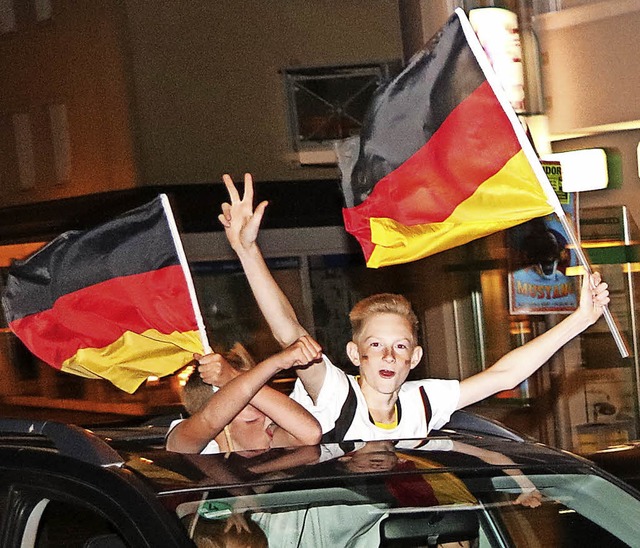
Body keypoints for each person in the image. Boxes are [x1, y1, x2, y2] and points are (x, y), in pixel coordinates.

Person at [217, 173, 611, 443]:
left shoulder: (423, 401)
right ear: (355, 354)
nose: (388, 355)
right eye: (375, 346)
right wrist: (248, 251)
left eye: (400, 346)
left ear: (415, 357)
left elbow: (504, 375)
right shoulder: (336, 393)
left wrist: (580, 320)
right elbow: (289, 331)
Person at [166, 337, 323, 454]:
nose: (270, 418)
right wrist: (278, 362)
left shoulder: (268, 438)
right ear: (223, 424)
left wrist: (231, 376)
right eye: (252, 420)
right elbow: (209, 420)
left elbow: (310, 433)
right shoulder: (183, 441)